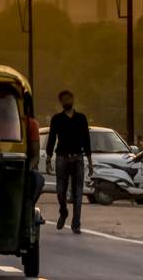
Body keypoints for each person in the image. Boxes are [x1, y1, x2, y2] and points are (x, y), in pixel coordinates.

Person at [46, 90, 92, 234]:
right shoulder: (57, 119)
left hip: (78, 157)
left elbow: (86, 140)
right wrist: (48, 158)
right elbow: (52, 139)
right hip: (61, 157)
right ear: (61, 102)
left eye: (68, 99)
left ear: (72, 99)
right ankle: (63, 211)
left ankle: (76, 223)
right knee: (60, 190)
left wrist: (90, 161)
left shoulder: (81, 118)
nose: (66, 101)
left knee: (78, 193)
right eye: (63, 100)